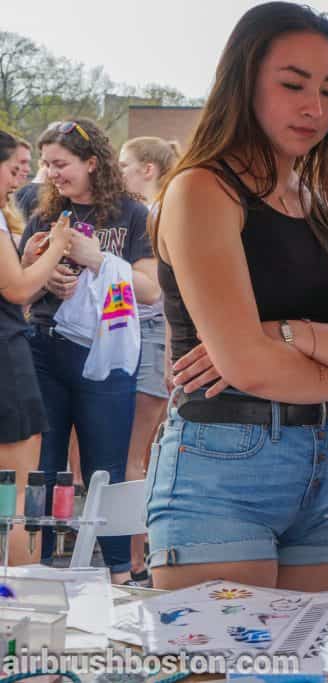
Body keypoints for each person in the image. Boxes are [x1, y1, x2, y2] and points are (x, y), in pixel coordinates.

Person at [150, 1, 328, 591]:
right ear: (245, 82)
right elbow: (249, 367)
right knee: (222, 669)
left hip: (324, 458)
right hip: (221, 457)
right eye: (293, 85)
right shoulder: (203, 189)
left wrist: (287, 334)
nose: (314, 107)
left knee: (307, 668)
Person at [18, 119, 159, 582]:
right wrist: (41, 271)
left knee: (107, 465)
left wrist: (96, 258)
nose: (51, 173)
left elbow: (151, 290)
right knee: (43, 467)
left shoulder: (133, 215)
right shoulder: (43, 214)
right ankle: (38, 566)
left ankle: (119, 572)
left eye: (61, 164)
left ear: (93, 163)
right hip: (45, 348)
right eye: (46, 164)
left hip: (107, 356)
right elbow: (18, 285)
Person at [0, 130, 74, 566]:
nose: (20, 181)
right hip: (6, 357)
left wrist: (27, 259)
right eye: (15, 170)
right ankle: (18, 601)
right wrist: (58, 249)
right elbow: (19, 289)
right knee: (16, 490)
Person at [118, 135, 181, 584]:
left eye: (124, 164)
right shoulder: (159, 210)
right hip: (141, 332)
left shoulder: (159, 212)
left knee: (136, 453)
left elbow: (165, 290)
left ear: (148, 170)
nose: (118, 172)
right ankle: (134, 555)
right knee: (135, 452)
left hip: (157, 333)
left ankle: (135, 557)